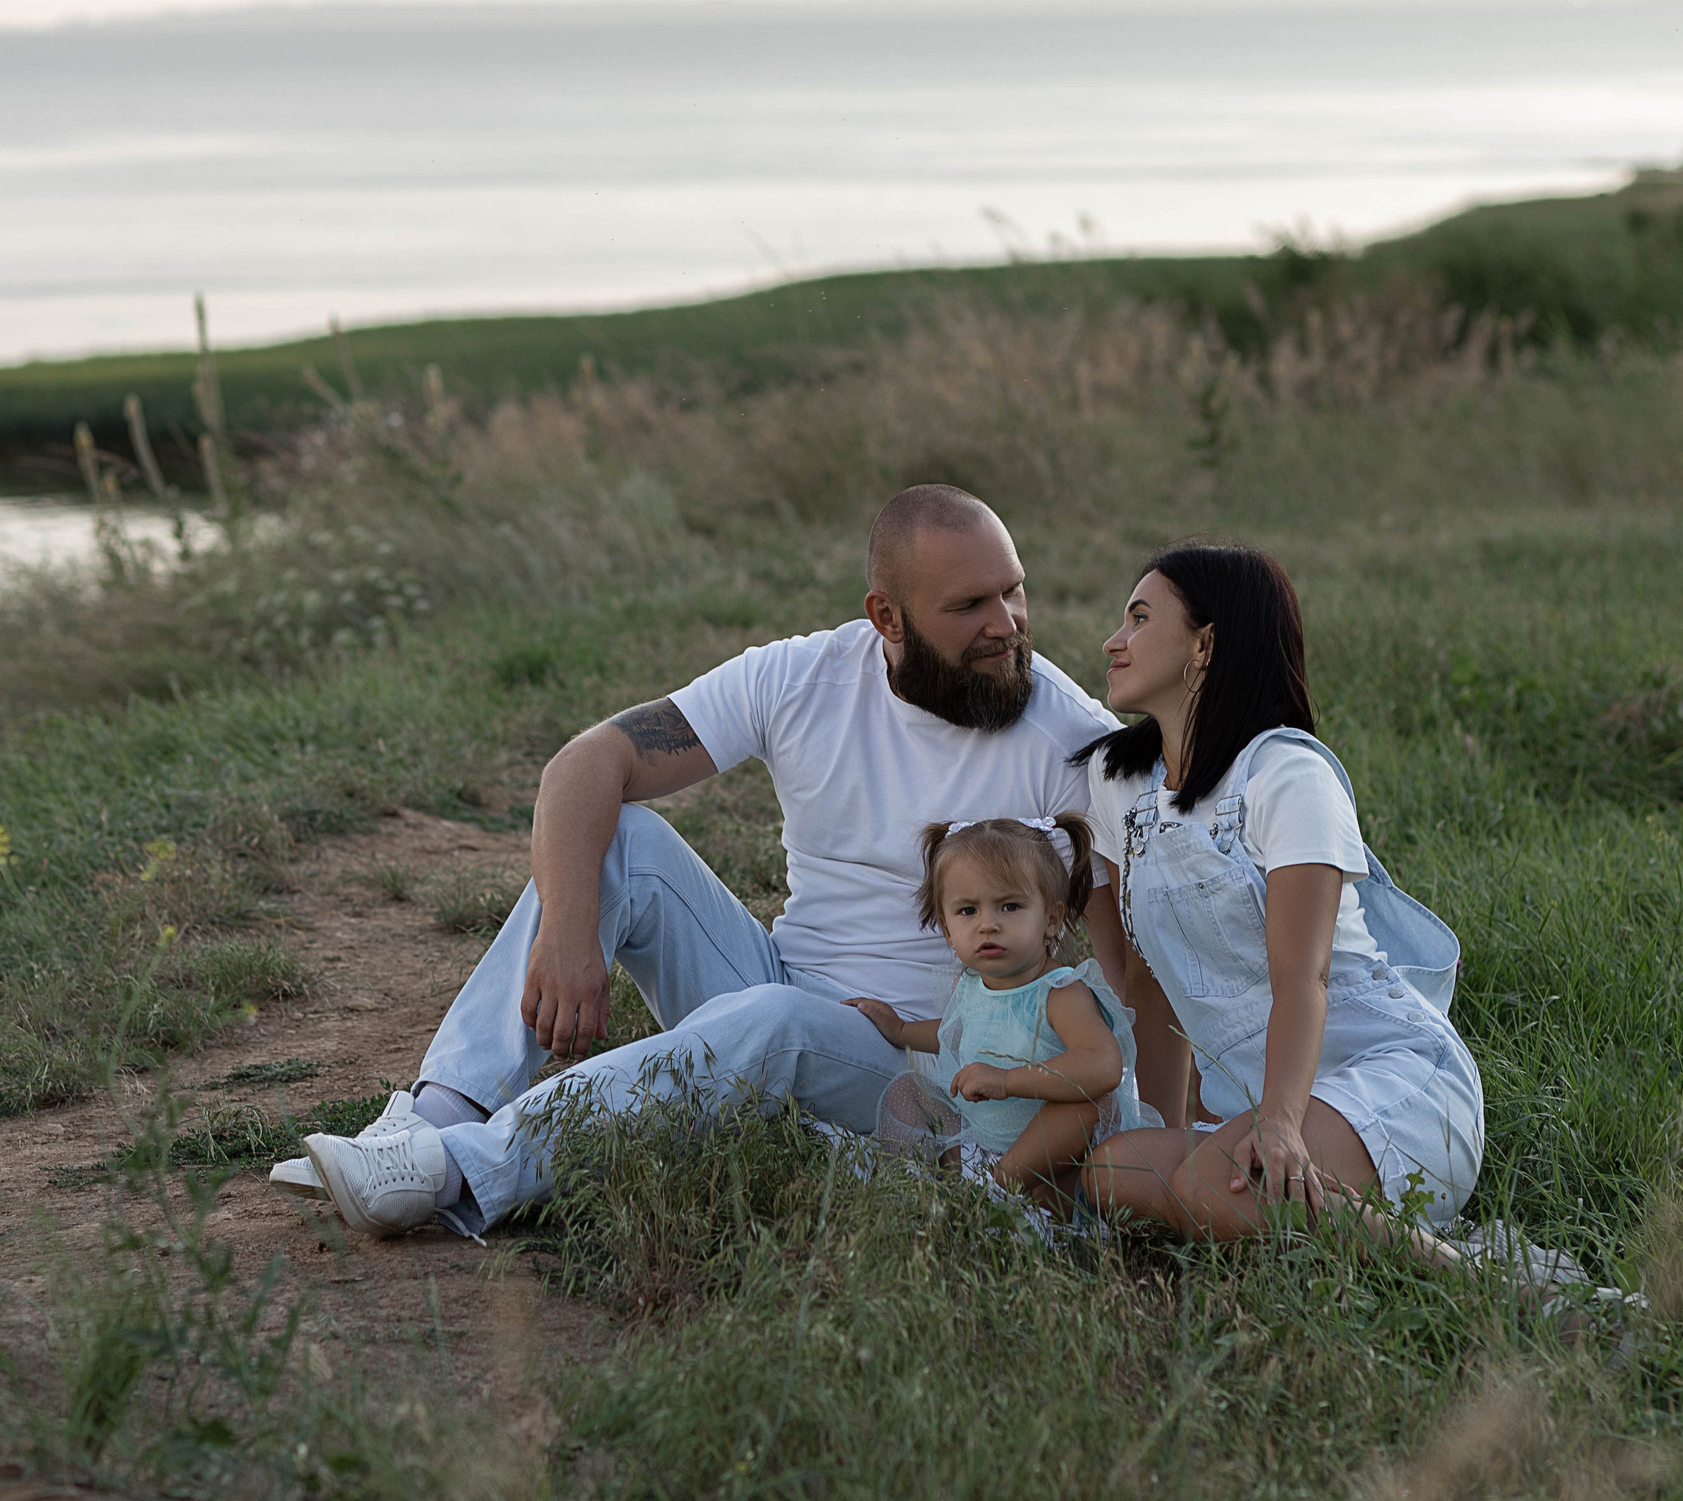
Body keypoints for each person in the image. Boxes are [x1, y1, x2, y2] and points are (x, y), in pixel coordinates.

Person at [272, 485, 1125, 1237]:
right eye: (970, 604)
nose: (1005, 625)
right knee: (628, 841)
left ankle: (463, 1171)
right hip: (776, 987)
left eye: (1014, 592)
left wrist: (1162, 1130)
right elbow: (587, 764)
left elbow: (1140, 958)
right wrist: (569, 931)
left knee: (774, 1022)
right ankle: (431, 1120)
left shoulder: (1071, 742)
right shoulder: (803, 677)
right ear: (886, 618)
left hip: (922, 1074)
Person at [1076, 543, 1484, 1252]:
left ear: (1205, 644)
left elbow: (1305, 976)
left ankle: (1492, 1286)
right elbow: (1149, 985)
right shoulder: (1120, 785)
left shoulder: (1288, 774)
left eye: (1139, 618)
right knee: (1114, 1172)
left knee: (1208, 1184)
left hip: (1389, 1080)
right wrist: (1163, 1130)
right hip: (1254, 1108)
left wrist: (1281, 1120)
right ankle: (1282, 1204)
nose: (1114, 640)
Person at [850, 814, 1148, 1209]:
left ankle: (1002, 1192)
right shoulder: (973, 984)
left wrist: (1008, 1081)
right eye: (968, 911)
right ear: (947, 928)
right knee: (910, 1091)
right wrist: (902, 1030)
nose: (987, 925)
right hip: (981, 1140)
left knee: (1087, 1103)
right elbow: (959, 1031)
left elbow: (1103, 1066)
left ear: (1051, 920)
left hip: (1054, 1163)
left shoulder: (1059, 992)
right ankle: (911, 1189)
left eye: (1009, 906)